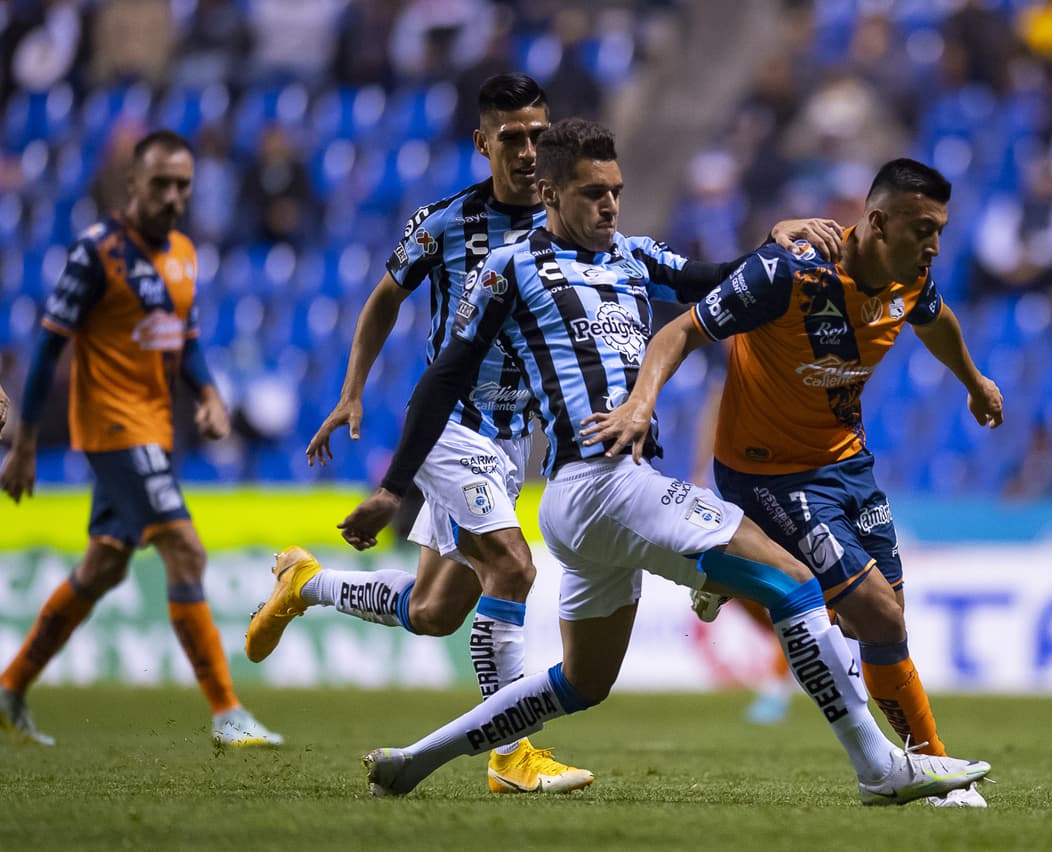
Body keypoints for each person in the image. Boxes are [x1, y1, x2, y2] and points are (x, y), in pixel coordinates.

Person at [335, 118, 990, 803]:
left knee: (582, 684)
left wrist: (778, 237)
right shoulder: (510, 268)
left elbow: (726, 283)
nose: (611, 206)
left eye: (616, 191)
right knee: (794, 586)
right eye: (593, 194)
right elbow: (443, 377)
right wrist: (394, 488)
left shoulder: (632, 255)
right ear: (550, 193)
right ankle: (879, 768)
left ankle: (414, 759)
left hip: (601, 498)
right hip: (595, 482)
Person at [247, 74, 845, 794]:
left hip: (512, 439)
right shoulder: (446, 225)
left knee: (436, 612)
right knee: (515, 568)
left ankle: (306, 584)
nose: (528, 151)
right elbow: (384, 302)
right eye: (512, 139)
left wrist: (770, 241)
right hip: (451, 425)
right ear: (483, 143)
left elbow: (702, 280)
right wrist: (352, 395)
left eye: (538, 135)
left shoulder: (585, 230)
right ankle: (511, 756)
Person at [582, 158, 1004, 807]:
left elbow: (935, 319)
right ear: (878, 220)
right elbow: (682, 329)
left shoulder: (912, 275)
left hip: (846, 466)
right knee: (877, 612)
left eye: (940, 230)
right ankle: (936, 775)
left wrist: (973, 381)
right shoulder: (791, 271)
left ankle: (726, 571)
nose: (934, 245)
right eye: (923, 228)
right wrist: (641, 403)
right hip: (766, 471)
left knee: (879, 625)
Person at [0, 130, 280, 748]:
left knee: (102, 567)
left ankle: (10, 686)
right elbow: (48, 344)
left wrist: (207, 394)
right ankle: (227, 713)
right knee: (187, 550)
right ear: (133, 186)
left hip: (157, 430)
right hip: (111, 427)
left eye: (183, 185)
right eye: (160, 184)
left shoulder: (183, 251)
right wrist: (21, 444)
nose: (173, 196)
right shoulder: (96, 253)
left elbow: (187, 343)